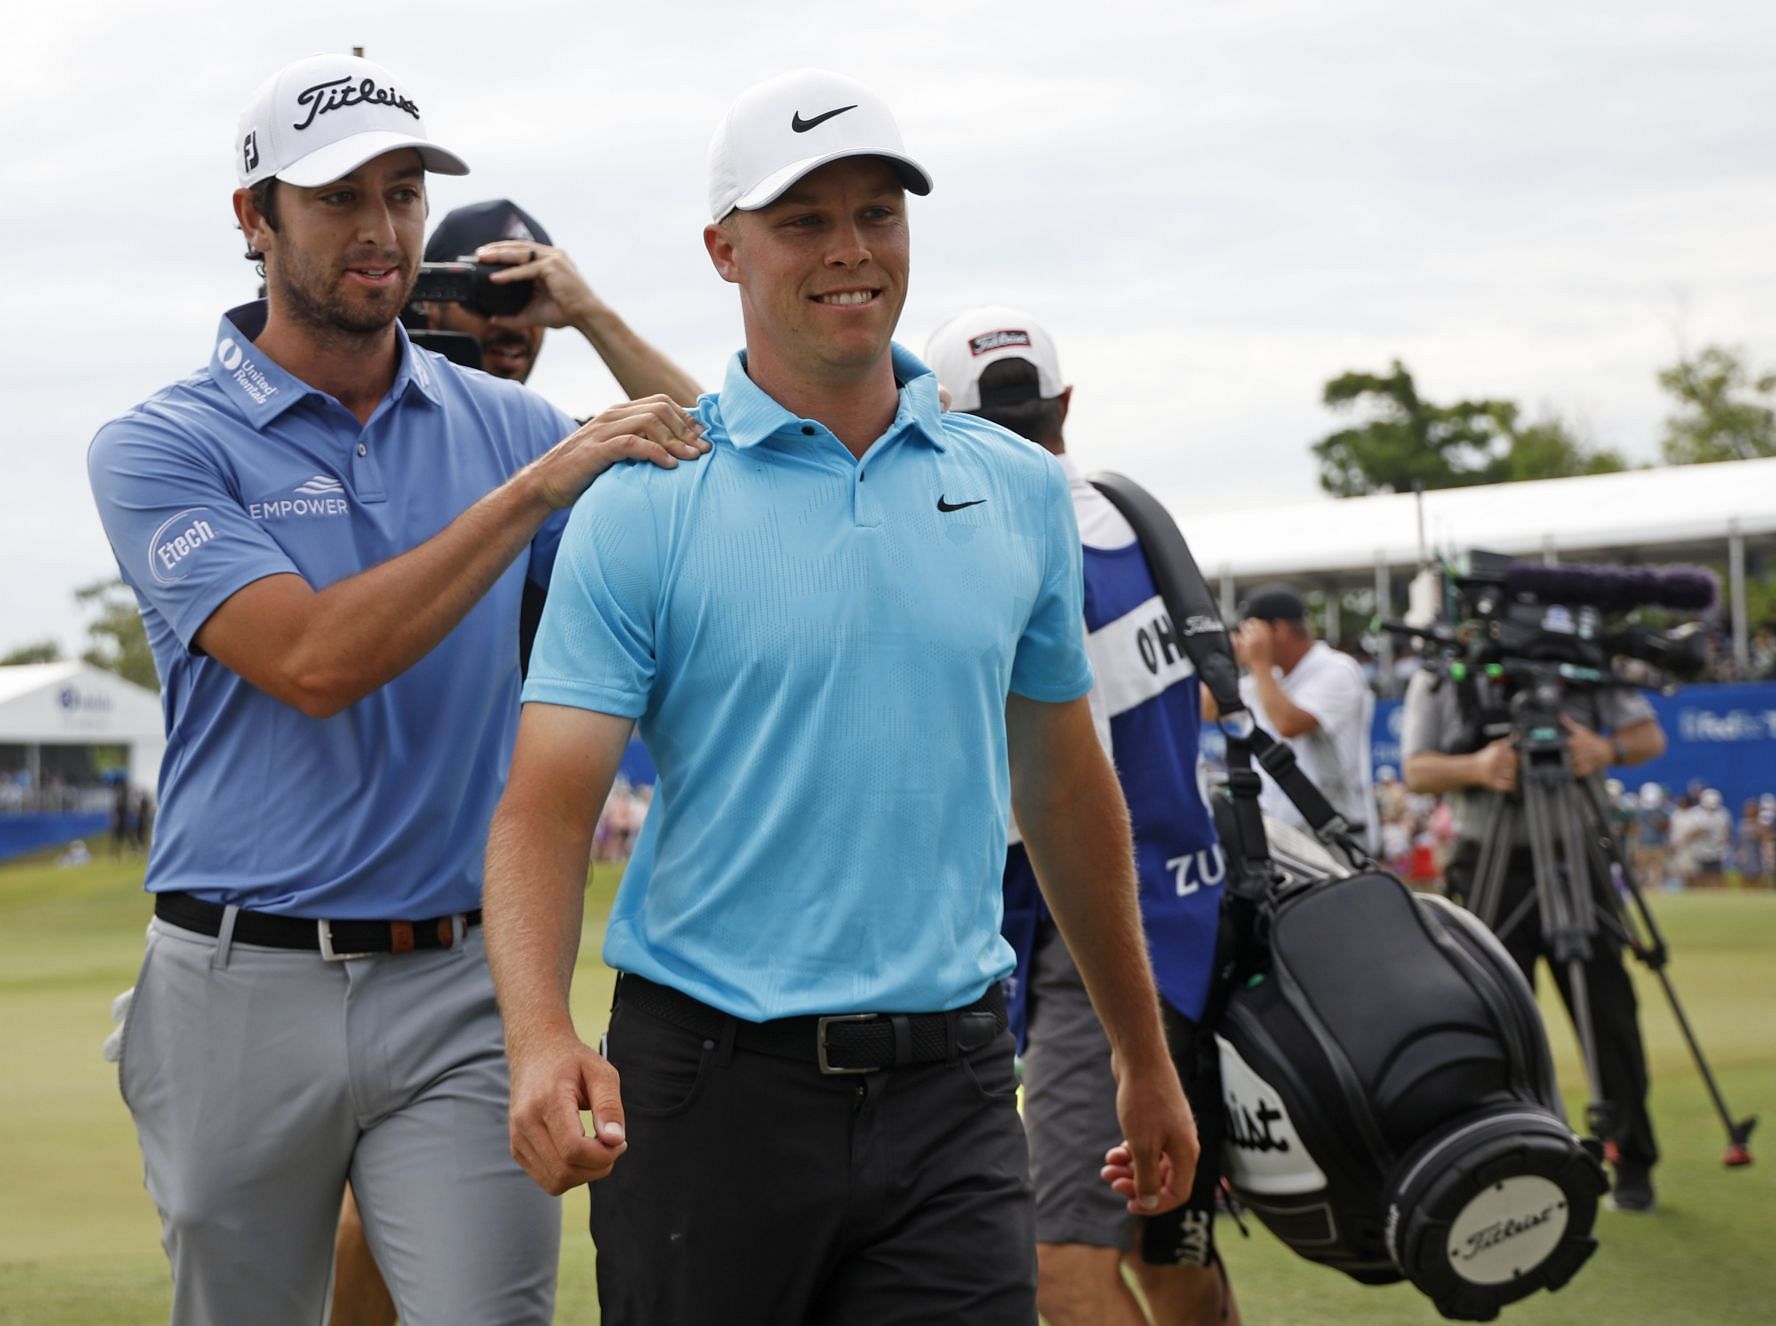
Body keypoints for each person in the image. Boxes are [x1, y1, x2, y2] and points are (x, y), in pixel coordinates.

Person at [481, 69, 1195, 1325]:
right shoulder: (645, 500)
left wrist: (1146, 1060)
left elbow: (1071, 795)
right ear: (725, 250)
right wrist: (541, 1038)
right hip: (709, 1087)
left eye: (878, 213)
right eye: (804, 221)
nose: (850, 251)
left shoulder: (1017, 493)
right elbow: (543, 811)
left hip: (958, 1087)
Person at [87, 52, 709, 1326]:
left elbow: (745, 481)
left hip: (461, 990)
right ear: (254, 218)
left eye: (405, 191)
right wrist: (538, 488)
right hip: (233, 984)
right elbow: (315, 661)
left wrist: (588, 315)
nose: (381, 229)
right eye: (339, 198)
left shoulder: (508, 422)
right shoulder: (163, 444)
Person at [924, 307, 1239, 1326]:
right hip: (1188, 921)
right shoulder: (1130, 519)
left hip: (1091, 939)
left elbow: (1048, 802)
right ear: (1063, 405)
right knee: (1168, 1252)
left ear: (941, 420)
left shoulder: (997, 544)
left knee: (1059, 1263)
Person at [1399, 664, 1668, 1212]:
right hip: (1488, 860)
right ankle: (1498, 1159)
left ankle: (1631, 1160)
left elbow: (1649, 736)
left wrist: (1605, 750)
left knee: (1609, 1013)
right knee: (1489, 1020)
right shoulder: (1441, 672)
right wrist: (1478, 765)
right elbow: (1418, 771)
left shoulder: (1577, 659)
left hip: (1577, 857)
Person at [416, 197, 701, 403]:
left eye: (524, 296)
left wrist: (588, 314)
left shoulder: (549, 440)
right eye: (487, 295)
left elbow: (712, 439)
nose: (510, 325)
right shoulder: (383, 426)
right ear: (431, 297)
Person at [1210, 586, 1380, 853]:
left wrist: (1259, 664)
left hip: (1334, 834)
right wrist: (1223, 660)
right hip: (1282, 835)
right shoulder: (1267, 678)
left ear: (1278, 630)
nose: (1243, 639)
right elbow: (1208, 708)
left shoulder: (1337, 669)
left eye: (1250, 630)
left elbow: (1288, 723)